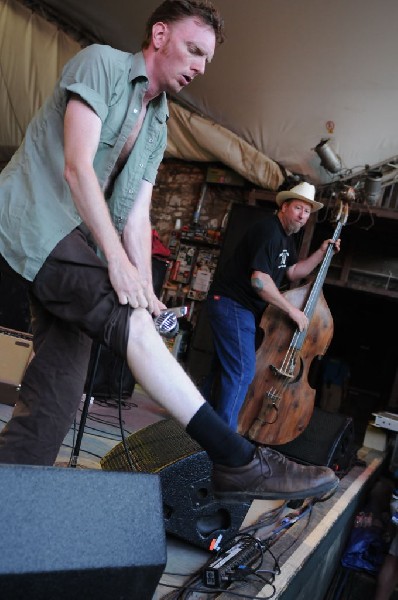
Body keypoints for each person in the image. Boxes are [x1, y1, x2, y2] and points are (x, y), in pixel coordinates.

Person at [0, 0, 338, 503]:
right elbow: (77, 167)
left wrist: (148, 290)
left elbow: (137, 214)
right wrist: (117, 265)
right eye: (193, 50)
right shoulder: (102, 63)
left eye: (207, 59)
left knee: (57, 395)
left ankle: (9, 497)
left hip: (79, 245)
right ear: (159, 35)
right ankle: (238, 459)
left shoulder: (159, 122)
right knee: (126, 319)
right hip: (36, 222)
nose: (200, 67)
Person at [204, 181, 341, 431]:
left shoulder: (287, 238)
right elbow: (259, 280)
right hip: (233, 304)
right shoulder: (269, 231)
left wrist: (322, 252)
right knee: (243, 370)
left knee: (224, 371)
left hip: (242, 308)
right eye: (298, 208)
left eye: (307, 212)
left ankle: (201, 428)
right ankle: (223, 437)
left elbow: (293, 273)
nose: (302, 216)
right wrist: (291, 310)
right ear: (285, 206)